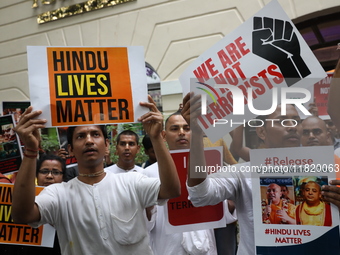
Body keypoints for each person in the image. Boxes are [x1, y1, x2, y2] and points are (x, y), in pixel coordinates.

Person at [12, 96, 180, 255]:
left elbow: (171, 190)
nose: (89, 140)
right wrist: (30, 151)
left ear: (107, 145)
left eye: (95, 134)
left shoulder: (132, 181)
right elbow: (23, 215)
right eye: (80, 136)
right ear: (70, 149)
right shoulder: (58, 194)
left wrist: (156, 137)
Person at [181, 92, 302, 254]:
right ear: (262, 132)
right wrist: (196, 134)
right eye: (282, 121)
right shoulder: (242, 174)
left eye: (297, 122)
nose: (292, 126)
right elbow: (200, 195)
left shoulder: (324, 172)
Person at [143, 111, 219, 255]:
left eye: (187, 128)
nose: (182, 133)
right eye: (175, 129)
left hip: (206, 248)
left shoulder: (210, 168)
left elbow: (222, 214)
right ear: (164, 135)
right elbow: (147, 221)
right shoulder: (149, 173)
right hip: (168, 248)